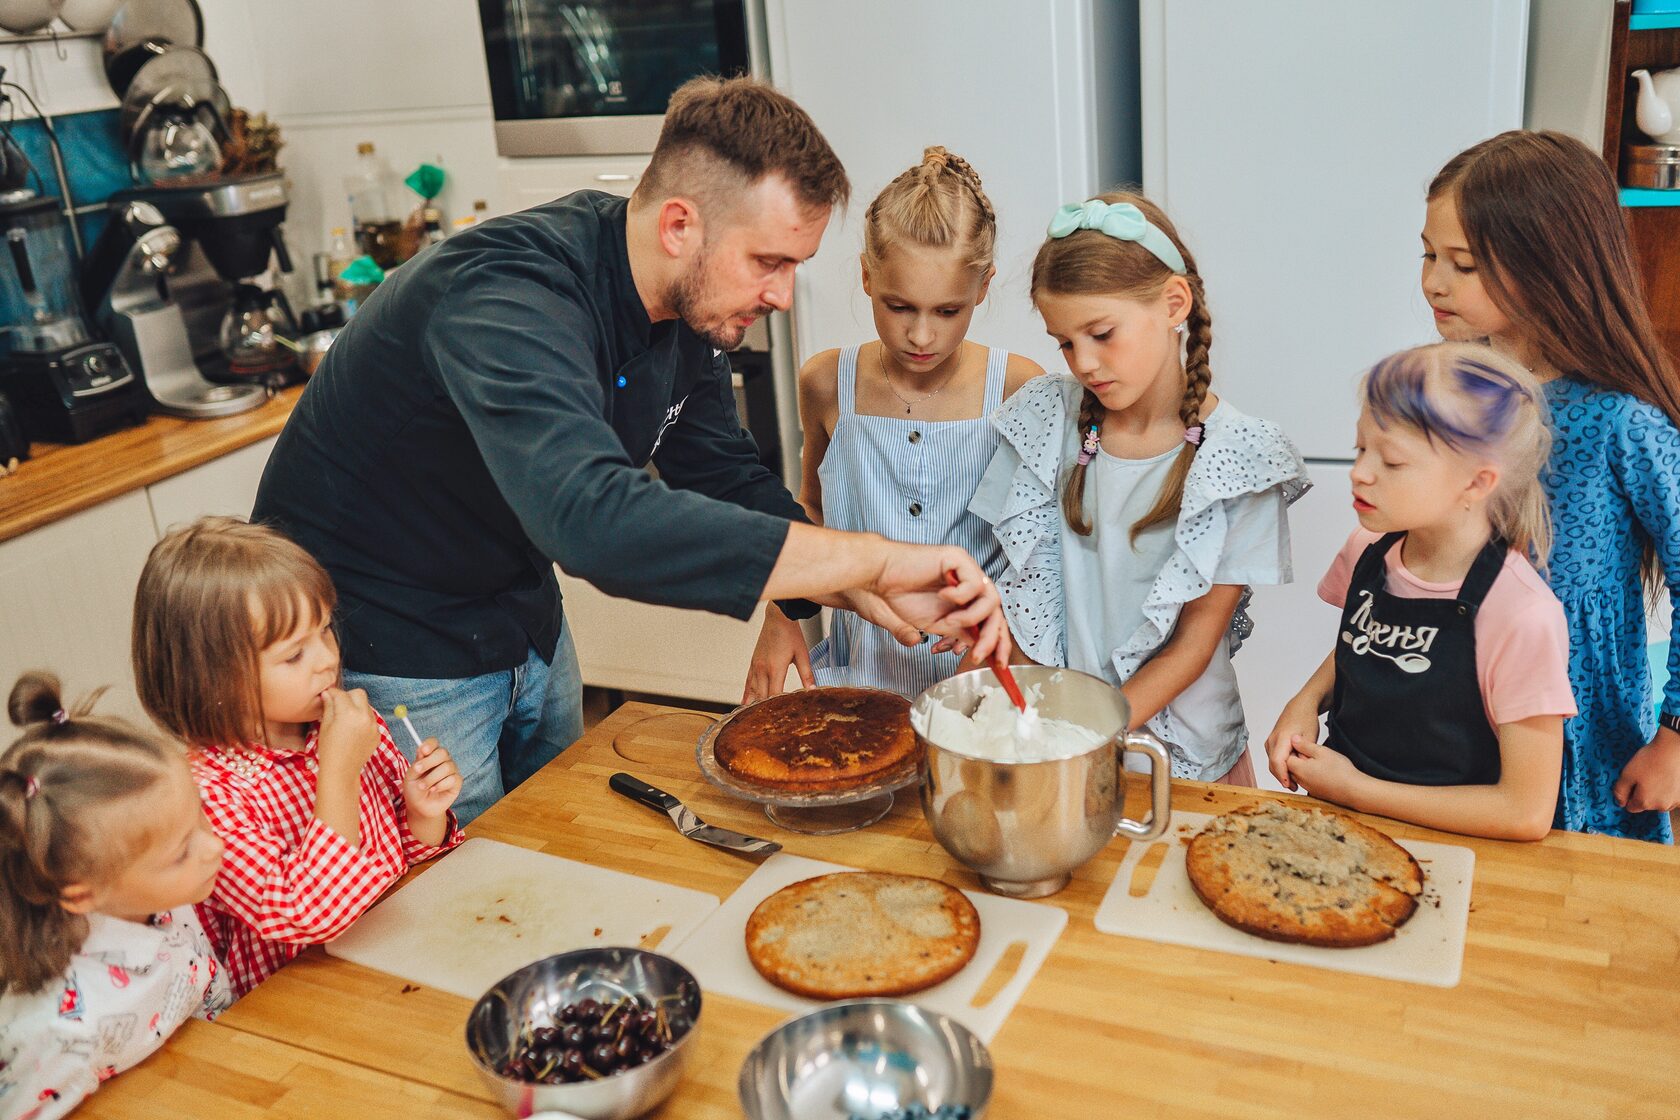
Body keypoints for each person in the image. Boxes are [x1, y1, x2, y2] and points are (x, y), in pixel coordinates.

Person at [252, 76, 1007, 824]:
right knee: (451, 888)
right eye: (768, 262)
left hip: (521, 615)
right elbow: (592, 518)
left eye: (794, 267)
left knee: (555, 836)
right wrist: (872, 559)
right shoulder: (511, 296)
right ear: (681, 225)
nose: (783, 295)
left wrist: (854, 592)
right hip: (395, 637)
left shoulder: (689, 315)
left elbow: (724, 475)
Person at [970, 193, 1309, 782]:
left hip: (1187, 764)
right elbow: (1016, 594)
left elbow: (1194, 645)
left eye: (1102, 333)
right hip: (1060, 738)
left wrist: (1092, 733)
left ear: (1174, 303)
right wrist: (1045, 715)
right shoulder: (1044, 420)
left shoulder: (1242, 459)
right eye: (1065, 342)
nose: (1084, 362)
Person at [1420, 130, 1680, 842]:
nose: (1433, 282)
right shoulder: (1454, 391)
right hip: (1455, 710)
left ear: (1550, 266)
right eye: (1429, 254)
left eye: (1462, 264)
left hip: (1577, 737)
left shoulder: (1623, 421)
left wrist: (1675, 739)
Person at [745, 146, 1044, 702]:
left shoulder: (1018, 389)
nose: (921, 336)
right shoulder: (826, 382)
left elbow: (1038, 553)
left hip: (978, 692)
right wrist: (782, 615)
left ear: (983, 288)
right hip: (857, 679)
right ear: (865, 276)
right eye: (899, 306)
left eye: (948, 311)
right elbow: (809, 510)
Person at [131, 518, 464, 998]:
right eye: (293, 656)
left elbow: (397, 864)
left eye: (325, 631)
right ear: (212, 678)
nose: (327, 659)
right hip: (304, 1006)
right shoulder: (204, 797)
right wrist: (339, 772)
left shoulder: (341, 725)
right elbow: (312, 914)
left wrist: (421, 813)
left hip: (391, 961)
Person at [1266, 344, 1576, 840]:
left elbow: (1524, 812)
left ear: (1476, 482)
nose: (1360, 473)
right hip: (1345, 831)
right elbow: (1362, 645)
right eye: (1360, 449)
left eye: (1391, 462)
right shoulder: (1366, 550)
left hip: (1460, 852)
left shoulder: (1522, 614)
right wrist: (1305, 700)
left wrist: (1356, 790)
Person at [0, 672, 230, 1118]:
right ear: (82, 894)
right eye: (182, 851)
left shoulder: (162, 902)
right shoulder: (58, 1032)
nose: (215, 845)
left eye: (199, 817)